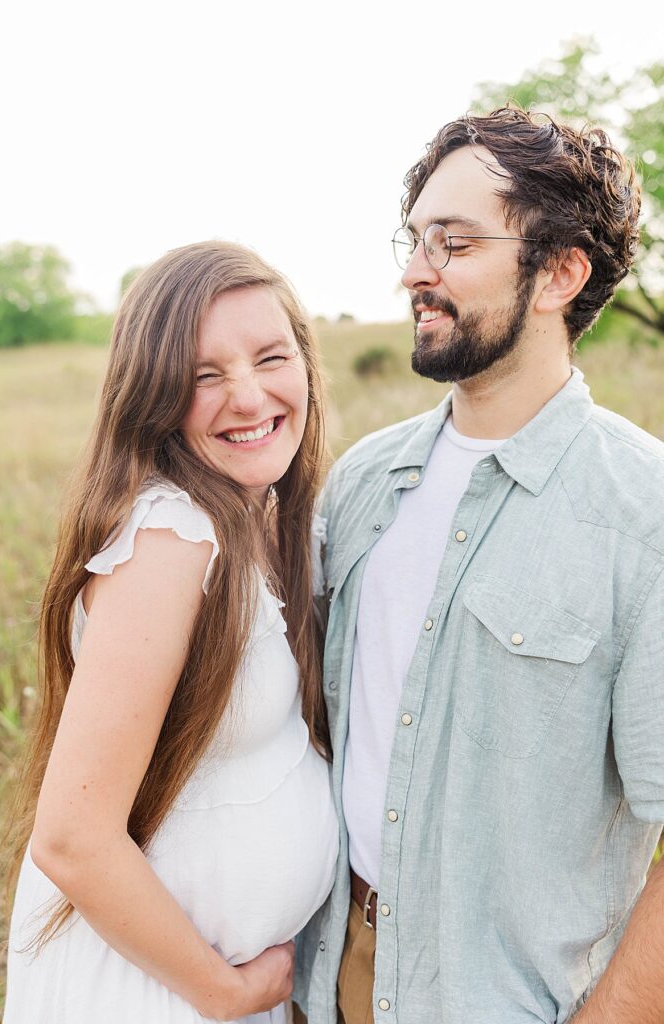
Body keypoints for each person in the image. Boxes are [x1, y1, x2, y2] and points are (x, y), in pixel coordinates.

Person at [294, 108, 664, 1024]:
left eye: (453, 243)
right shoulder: (359, 484)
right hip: (339, 976)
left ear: (561, 273)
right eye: (414, 240)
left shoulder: (644, 516)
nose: (415, 271)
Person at [2, 241, 338, 1023]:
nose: (250, 397)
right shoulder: (171, 540)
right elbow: (73, 839)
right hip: (152, 993)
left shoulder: (273, 518)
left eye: (269, 357)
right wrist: (225, 993)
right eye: (204, 375)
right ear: (153, 396)